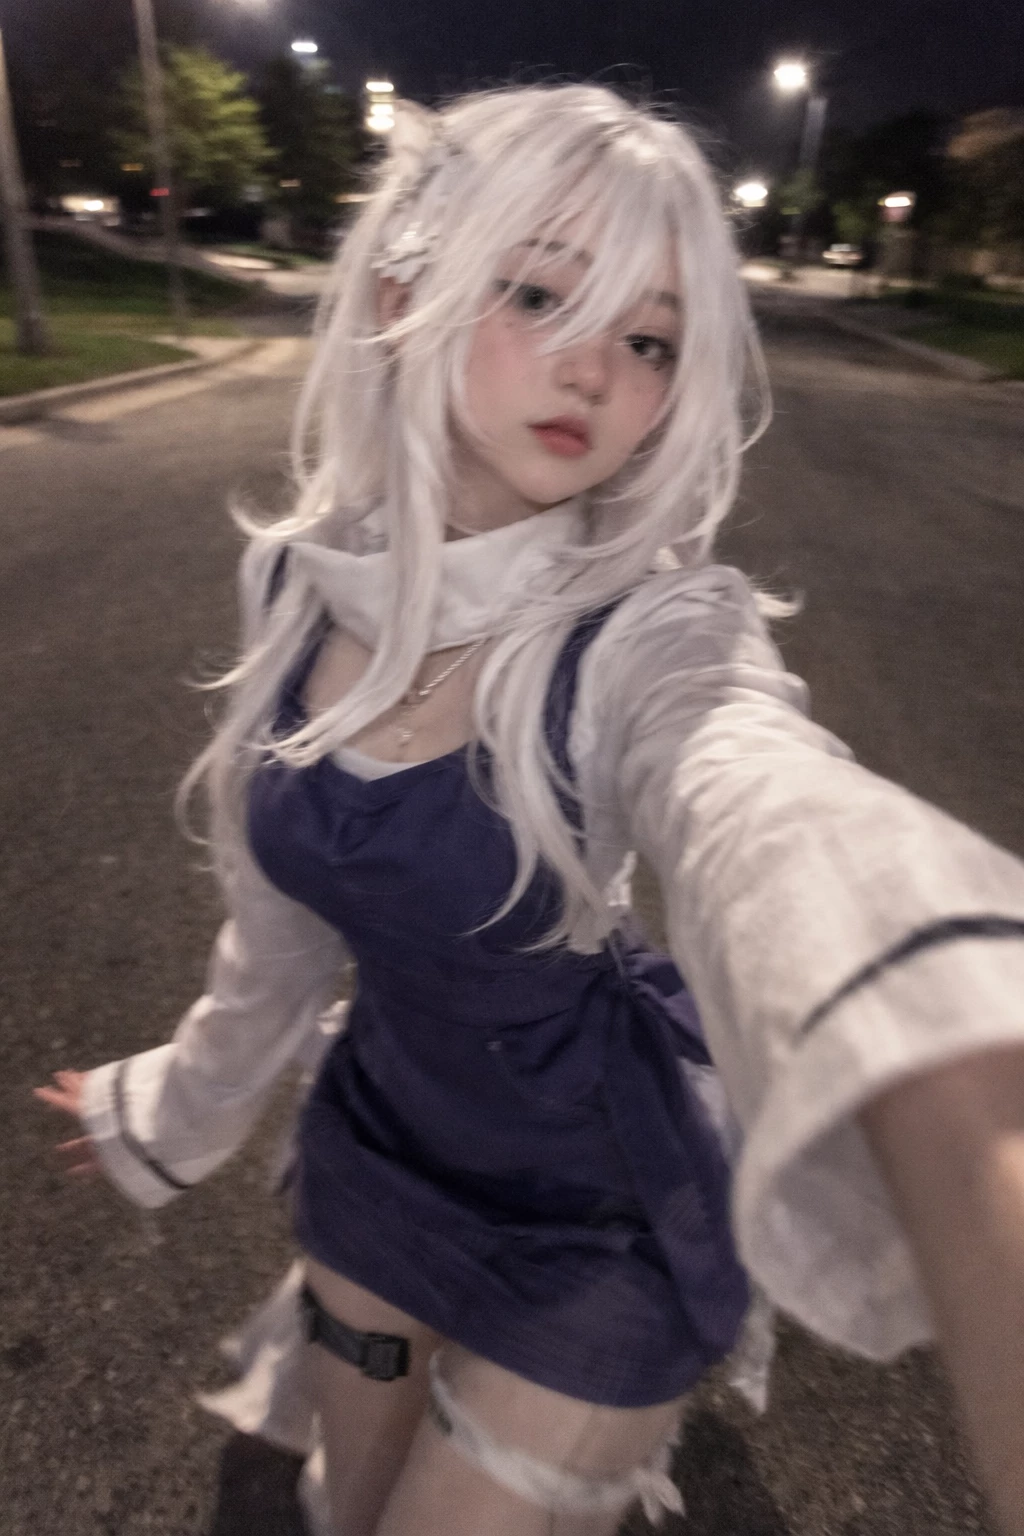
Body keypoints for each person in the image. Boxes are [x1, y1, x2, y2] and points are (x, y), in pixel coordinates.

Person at [36, 86, 1024, 1536]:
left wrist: (957, 1042)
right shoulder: (297, 580)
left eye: (649, 340)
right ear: (404, 295)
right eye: (542, 293)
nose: (594, 371)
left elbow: (767, 799)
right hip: (381, 1146)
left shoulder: (652, 631)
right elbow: (278, 928)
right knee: (348, 1507)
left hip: (599, 1210)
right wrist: (179, 1104)